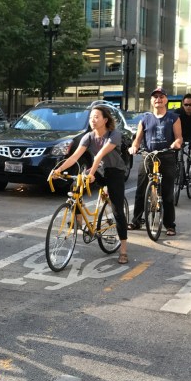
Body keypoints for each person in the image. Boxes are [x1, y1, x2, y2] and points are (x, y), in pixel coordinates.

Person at [52, 106, 129, 264]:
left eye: (96, 117)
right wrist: (57, 170)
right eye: (91, 118)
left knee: (117, 211)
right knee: (76, 183)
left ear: (105, 120)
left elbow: (100, 154)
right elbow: (74, 157)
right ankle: (79, 221)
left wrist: (92, 174)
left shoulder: (114, 135)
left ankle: (123, 250)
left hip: (115, 171)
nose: (92, 120)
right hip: (99, 169)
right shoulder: (88, 137)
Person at [127, 88, 183, 237]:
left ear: (166, 100)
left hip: (167, 156)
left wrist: (176, 143)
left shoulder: (173, 118)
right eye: (155, 97)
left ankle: (170, 225)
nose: (158, 99)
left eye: (161, 96)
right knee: (141, 190)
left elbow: (179, 137)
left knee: (167, 193)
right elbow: (137, 140)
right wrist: (134, 147)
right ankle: (136, 220)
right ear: (151, 101)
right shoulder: (145, 119)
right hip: (148, 156)